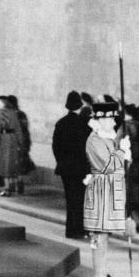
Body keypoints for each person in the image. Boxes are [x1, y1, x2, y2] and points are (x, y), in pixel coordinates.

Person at [83, 97, 131, 277]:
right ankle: (98, 276)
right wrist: (122, 152)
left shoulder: (107, 139)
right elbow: (107, 165)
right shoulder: (94, 141)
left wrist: (124, 153)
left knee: (105, 236)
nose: (113, 122)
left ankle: (103, 271)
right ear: (100, 120)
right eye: (110, 119)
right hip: (101, 191)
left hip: (109, 190)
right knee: (98, 236)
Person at [52, 90, 90, 238]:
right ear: (79, 106)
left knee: (70, 198)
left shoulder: (61, 123)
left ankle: (70, 230)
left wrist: (61, 161)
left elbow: (56, 146)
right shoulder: (83, 124)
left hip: (65, 168)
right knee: (80, 199)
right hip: (80, 167)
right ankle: (79, 229)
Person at [0, 95, 25, 197]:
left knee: (5, 164)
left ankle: (7, 188)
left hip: (4, 140)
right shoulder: (13, 112)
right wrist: (20, 142)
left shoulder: (0, 113)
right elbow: (18, 129)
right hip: (13, 140)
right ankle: (14, 185)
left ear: (3, 103)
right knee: (13, 164)